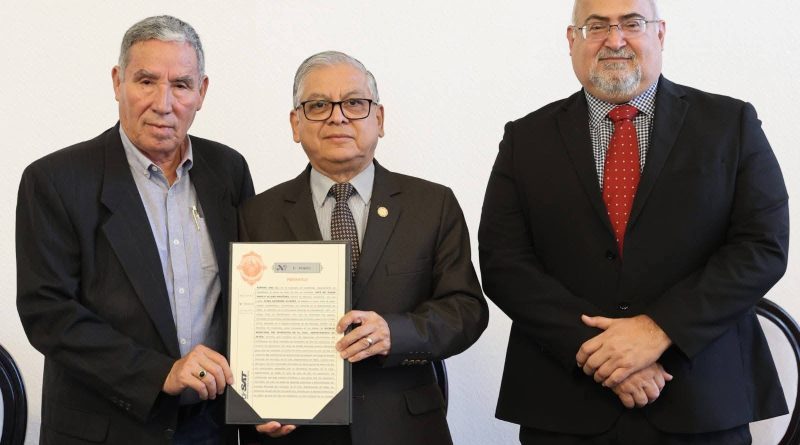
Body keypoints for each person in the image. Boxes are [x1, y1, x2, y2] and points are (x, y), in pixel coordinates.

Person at [479, 0, 789, 443]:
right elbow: (504, 262)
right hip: (564, 405)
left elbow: (762, 246)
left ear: (659, 34)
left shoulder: (729, 123)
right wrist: (599, 353)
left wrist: (658, 330)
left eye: (632, 23)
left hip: (702, 401)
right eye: (596, 26)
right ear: (571, 40)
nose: (615, 39)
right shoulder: (525, 139)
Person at [16, 15, 254, 445]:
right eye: (146, 81)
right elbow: (47, 314)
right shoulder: (55, 180)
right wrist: (161, 373)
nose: (164, 103)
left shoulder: (228, 171)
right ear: (117, 82)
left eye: (181, 85)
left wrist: (269, 396)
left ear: (201, 92)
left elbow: (252, 293)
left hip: (210, 427)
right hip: (106, 429)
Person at [238, 51, 489, 445]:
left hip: (404, 429)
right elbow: (240, 326)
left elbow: (466, 310)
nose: (337, 117)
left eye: (354, 103)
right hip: (297, 432)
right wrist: (255, 403)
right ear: (295, 124)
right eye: (318, 105)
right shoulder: (257, 214)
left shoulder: (432, 205)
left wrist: (395, 332)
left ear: (380, 119)